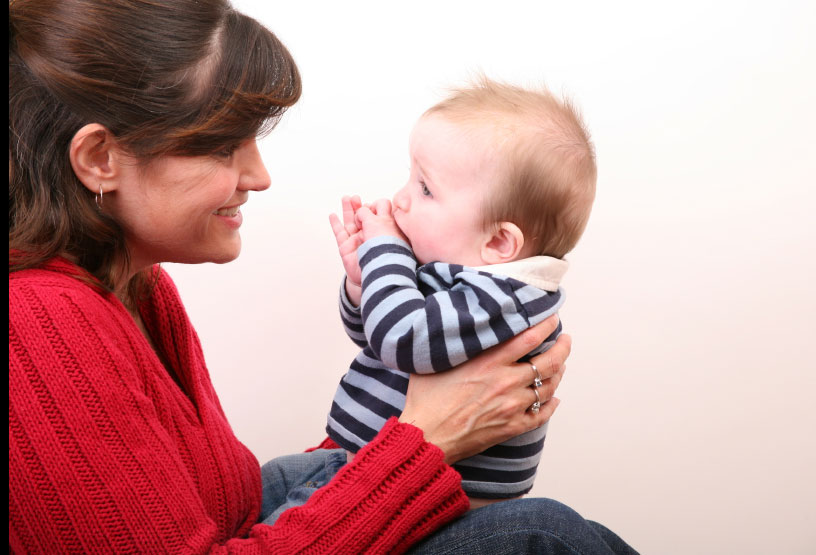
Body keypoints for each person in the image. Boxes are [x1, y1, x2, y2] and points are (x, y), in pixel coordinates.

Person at [8, 0, 635, 553]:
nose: (259, 175)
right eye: (226, 146)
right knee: (544, 534)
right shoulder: (35, 327)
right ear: (99, 158)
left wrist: (369, 463)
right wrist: (425, 441)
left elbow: (224, 509)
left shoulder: (135, 288)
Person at [316, 80, 594, 509]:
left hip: (432, 498)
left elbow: (399, 339)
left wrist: (384, 252)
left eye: (426, 189)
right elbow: (375, 336)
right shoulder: (463, 276)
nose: (400, 199)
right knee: (265, 481)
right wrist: (361, 282)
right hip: (374, 466)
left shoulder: (506, 298)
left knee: (282, 516)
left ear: (500, 244)